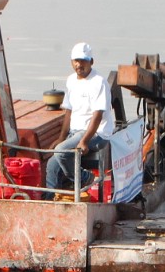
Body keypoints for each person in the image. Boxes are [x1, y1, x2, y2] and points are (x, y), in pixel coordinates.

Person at [45, 42, 116, 194]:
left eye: (83, 61)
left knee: (61, 151)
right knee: (52, 164)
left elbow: (98, 115)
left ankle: (85, 178)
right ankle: (49, 199)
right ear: (71, 62)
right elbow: (69, 111)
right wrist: (61, 138)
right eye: (76, 61)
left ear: (91, 61)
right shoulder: (71, 80)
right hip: (75, 132)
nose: (79, 64)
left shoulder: (99, 82)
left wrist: (84, 141)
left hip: (97, 133)